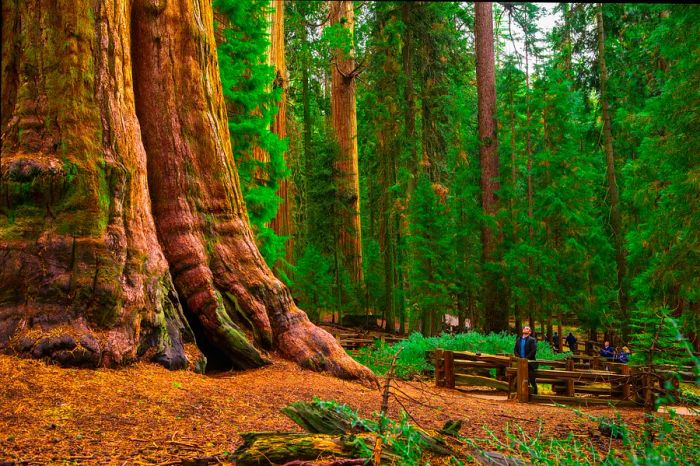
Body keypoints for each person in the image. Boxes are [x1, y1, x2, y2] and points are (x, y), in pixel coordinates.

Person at [514, 326, 538, 395]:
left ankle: (535, 394)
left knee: (531, 379)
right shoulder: (519, 339)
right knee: (520, 378)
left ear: (530, 332)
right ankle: (521, 394)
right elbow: (515, 350)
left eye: (527, 328)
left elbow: (533, 351)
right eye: (524, 328)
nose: (525, 329)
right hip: (520, 362)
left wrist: (526, 358)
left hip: (530, 363)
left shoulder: (532, 340)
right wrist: (519, 358)